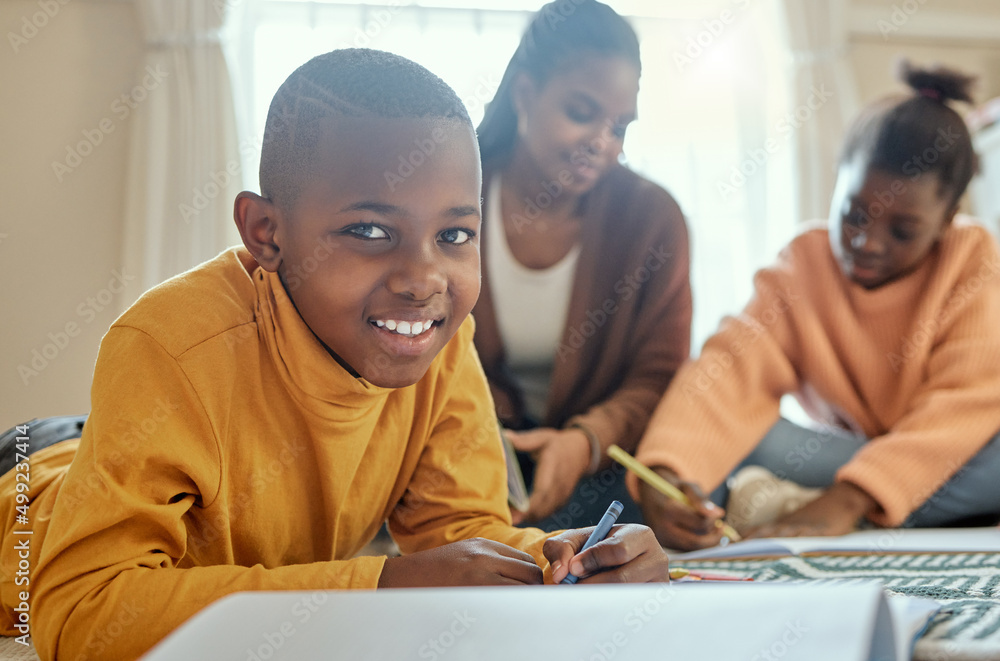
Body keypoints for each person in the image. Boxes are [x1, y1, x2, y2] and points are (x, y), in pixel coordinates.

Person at [0, 49, 669, 659]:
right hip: (31, 490)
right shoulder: (170, 344)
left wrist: (563, 559)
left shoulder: (437, 338)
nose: (423, 278)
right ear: (266, 232)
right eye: (371, 229)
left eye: (455, 233)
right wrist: (381, 582)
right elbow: (82, 612)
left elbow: (455, 531)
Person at [631, 62, 1000, 551]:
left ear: (947, 219)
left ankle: (865, 508)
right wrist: (668, 472)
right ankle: (888, 508)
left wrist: (847, 499)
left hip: (951, 453)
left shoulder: (974, 260)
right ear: (837, 181)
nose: (867, 242)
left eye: (902, 231)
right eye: (853, 215)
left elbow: (963, 408)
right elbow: (728, 368)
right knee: (745, 439)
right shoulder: (803, 263)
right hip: (852, 456)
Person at [473, 0, 692, 531]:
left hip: (597, 469)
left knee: (672, 500)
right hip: (467, 456)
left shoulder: (651, 219)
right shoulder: (454, 198)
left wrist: (585, 441)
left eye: (619, 127)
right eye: (581, 113)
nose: (601, 144)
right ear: (526, 94)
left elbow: (657, 376)